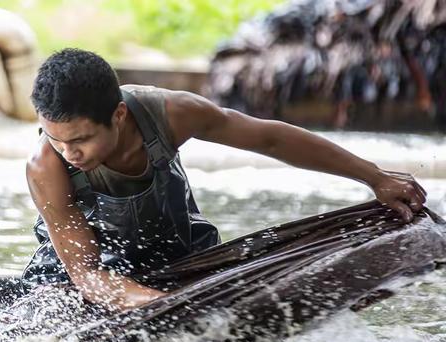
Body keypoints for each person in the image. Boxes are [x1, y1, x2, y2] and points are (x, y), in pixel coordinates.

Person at [23, 48, 427, 313]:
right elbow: (88, 275)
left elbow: (270, 138)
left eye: (80, 140)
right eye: (56, 140)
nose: (68, 152)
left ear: (119, 116)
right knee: (54, 309)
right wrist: (167, 306)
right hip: (86, 275)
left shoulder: (172, 113)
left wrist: (374, 177)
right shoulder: (47, 167)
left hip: (177, 252)